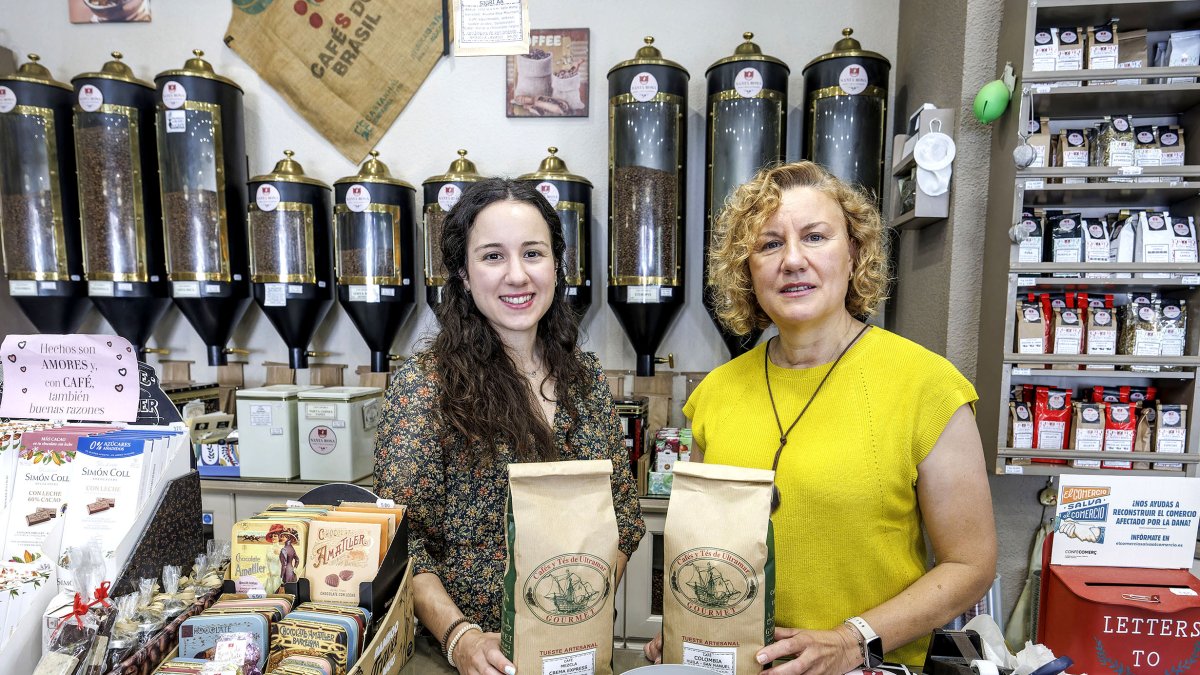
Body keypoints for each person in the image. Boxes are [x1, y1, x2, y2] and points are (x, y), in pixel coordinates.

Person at [645, 162, 997, 674]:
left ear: (854, 252)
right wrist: (686, 626)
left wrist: (852, 640)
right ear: (747, 269)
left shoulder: (927, 385)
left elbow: (970, 565)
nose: (792, 260)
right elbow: (703, 550)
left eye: (815, 237)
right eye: (769, 245)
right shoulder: (716, 394)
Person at [374, 178, 645, 675]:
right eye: (493, 256)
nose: (517, 275)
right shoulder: (425, 387)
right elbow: (402, 542)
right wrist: (463, 639)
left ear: (558, 266)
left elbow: (623, 517)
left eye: (533, 253)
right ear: (462, 273)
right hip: (468, 660)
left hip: (574, 654)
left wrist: (577, 612)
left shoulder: (585, 380)